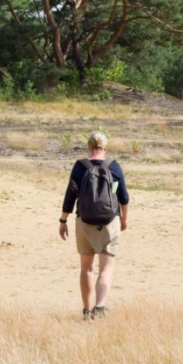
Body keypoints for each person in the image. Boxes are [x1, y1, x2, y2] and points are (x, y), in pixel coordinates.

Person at [59, 131, 130, 320]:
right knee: (106, 268)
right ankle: (100, 307)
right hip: (109, 222)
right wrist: (124, 219)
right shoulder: (114, 167)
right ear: (105, 148)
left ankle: (86, 310)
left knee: (86, 268)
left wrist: (63, 220)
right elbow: (124, 197)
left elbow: (70, 195)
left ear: (89, 148)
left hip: (84, 222)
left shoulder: (80, 167)